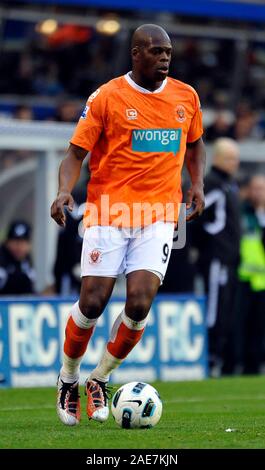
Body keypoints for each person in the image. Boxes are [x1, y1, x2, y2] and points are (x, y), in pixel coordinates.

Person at [51, 24, 206, 426]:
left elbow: (195, 142)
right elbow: (75, 154)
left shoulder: (185, 96)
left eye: (169, 51)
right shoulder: (107, 97)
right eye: (157, 51)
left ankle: (99, 378)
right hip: (109, 212)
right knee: (93, 302)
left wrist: (197, 184)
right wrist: (65, 191)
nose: (165, 58)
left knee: (138, 303)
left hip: (158, 216)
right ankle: (68, 377)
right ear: (136, 53)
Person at [190, 138, 241, 377]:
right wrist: (202, 245)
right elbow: (194, 213)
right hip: (215, 259)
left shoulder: (228, 185)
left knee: (225, 309)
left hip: (229, 260)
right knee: (213, 310)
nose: (235, 163)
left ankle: (219, 356)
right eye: (231, 158)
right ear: (218, 158)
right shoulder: (211, 184)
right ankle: (210, 358)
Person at [237, 175, 265, 374]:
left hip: (262, 281)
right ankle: (246, 365)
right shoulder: (243, 213)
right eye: (254, 188)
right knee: (243, 325)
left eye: (261, 189)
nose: (258, 193)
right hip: (245, 279)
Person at [0, 221, 35, 295]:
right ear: (7, 242)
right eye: (15, 242)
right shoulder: (2, 259)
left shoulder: (27, 262)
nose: (19, 247)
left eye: (23, 243)